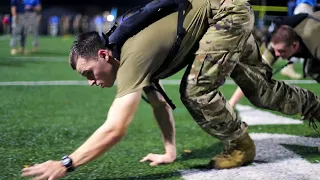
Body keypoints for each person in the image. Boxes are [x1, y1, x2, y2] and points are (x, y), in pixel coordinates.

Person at [22, 0, 320, 179]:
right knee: (262, 91)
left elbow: (115, 129)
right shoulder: (124, 53)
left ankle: (241, 145)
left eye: (89, 73)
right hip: (226, 13)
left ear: (103, 55)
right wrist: (170, 151)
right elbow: (158, 103)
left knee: (196, 90)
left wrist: (67, 163)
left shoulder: (130, 58)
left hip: (225, 15)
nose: (91, 81)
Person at [229, 10, 320, 108]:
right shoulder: (276, 44)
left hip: (315, 31)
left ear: (295, 45)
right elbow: (254, 76)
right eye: (275, 50)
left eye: (281, 51)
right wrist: (231, 104)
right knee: (312, 70)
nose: (277, 54)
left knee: (313, 69)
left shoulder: (314, 43)